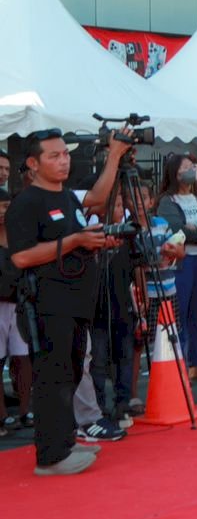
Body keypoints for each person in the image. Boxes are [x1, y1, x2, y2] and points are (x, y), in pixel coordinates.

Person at [5, 130, 129, 474]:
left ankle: (65, 441)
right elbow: (20, 257)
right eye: (54, 156)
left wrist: (92, 243)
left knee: (72, 373)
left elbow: (99, 198)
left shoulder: (69, 198)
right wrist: (74, 241)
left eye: (65, 154)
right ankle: (50, 455)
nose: (63, 160)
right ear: (32, 163)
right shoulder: (26, 203)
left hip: (76, 301)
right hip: (46, 303)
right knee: (53, 377)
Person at [155, 153, 197, 382]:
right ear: (175, 173)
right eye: (187, 167)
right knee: (180, 313)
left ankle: (195, 364)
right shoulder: (168, 201)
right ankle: (179, 364)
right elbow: (176, 229)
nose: (192, 170)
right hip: (183, 263)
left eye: (193, 166)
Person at [0, 188, 36, 434]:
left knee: (23, 358)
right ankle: (2, 416)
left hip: (19, 303)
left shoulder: (19, 234)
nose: (4, 211)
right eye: (0, 207)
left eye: (6, 206)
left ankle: (26, 410)